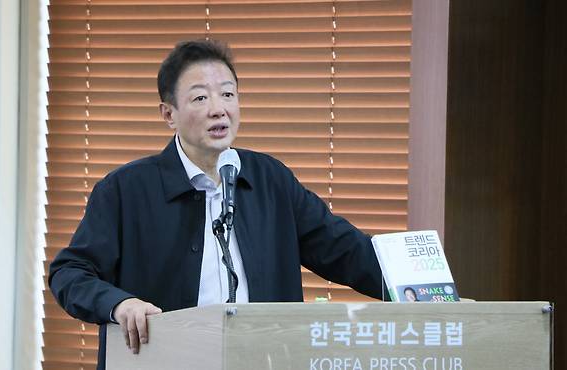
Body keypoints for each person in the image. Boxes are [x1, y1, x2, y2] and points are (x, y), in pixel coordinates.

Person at [49, 39, 384, 370]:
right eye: (200, 97)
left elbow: (344, 250)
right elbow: (70, 273)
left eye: (227, 94)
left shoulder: (271, 179)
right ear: (169, 114)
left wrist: (420, 287)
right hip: (162, 361)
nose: (218, 108)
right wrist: (120, 304)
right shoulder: (125, 190)